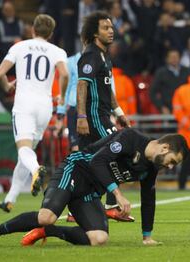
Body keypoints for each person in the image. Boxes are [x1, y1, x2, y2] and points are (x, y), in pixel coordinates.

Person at [0, 129, 189, 246]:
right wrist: (117, 194)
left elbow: (148, 200)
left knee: (99, 239)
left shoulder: (151, 168)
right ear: (164, 147)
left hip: (91, 191)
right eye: (172, 161)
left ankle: (49, 231)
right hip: (75, 170)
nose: (169, 166)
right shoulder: (129, 139)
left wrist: (147, 237)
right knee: (47, 215)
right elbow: (97, 162)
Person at [0, 14, 69, 212]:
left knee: (24, 150)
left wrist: (7, 87)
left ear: (32, 30)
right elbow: (65, 74)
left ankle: (37, 170)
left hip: (24, 104)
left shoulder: (19, 46)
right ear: (51, 33)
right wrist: (61, 96)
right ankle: (10, 198)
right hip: (44, 107)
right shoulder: (57, 51)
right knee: (26, 153)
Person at [75, 11, 132, 222]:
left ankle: (78, 208)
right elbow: (82, 85)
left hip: (104, 115)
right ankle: (110, 204)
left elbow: (108, 89)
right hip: (94, 117)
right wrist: (81, 116)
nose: (111, 31)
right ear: (94, 32)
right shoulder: (90, 55)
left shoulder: (103, 55)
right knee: (118, 152)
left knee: (87, 164)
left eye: (111, 27)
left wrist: (120, 113)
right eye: (105, 28)